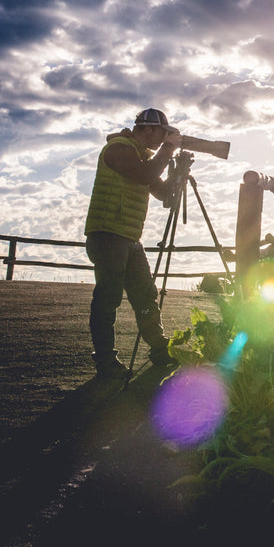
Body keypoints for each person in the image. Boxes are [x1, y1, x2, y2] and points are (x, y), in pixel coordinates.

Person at [84, 108, 182, 377]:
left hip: (128, 237)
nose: (161, 141)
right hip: (107, 234)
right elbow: (145, 176)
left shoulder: (141, 157)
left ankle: (160, 348)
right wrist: (167, 152)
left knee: (145, 294)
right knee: (108, 298)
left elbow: (164, 195)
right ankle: (105, 359)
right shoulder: (118, 149)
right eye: (161, 135)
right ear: (148, 129)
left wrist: (177, 173)